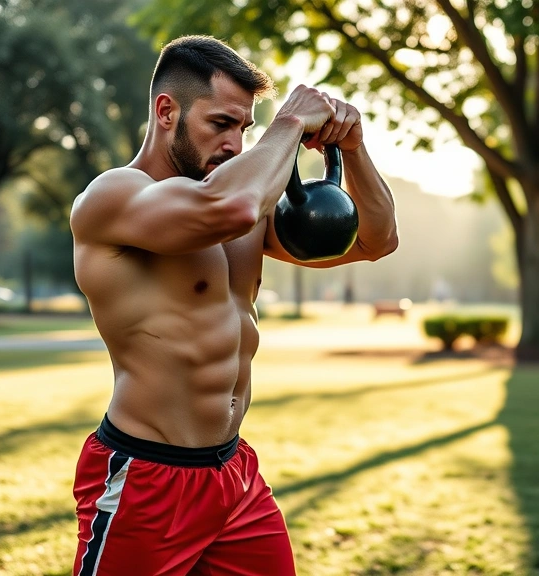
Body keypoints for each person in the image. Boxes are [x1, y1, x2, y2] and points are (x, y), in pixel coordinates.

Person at [68, 35, 398, 575]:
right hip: (146, 477)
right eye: (220, 124)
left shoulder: (242, 206)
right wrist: (289, 124)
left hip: (233, 475)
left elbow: (375, 241)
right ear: (166, 111)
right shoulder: (116, 197)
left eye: (244, 129)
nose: (234, 145)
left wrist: (354, 147)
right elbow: (232, 206)